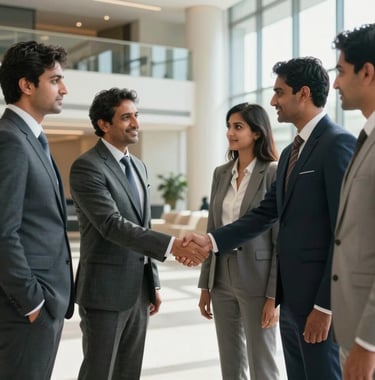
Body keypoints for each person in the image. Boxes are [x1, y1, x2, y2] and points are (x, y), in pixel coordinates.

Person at [185, 57, 357, 379]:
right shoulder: (295, 151)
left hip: (317, 306)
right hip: (290, 301)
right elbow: (266, 213)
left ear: (303, 93)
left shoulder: (336, 144)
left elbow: (343, 233)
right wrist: (210, 241)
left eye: (279, 92)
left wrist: (326, 307)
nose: (273, 101)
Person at [69, 87, 208, 380]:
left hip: (138, 291)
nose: (136, 124)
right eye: (126, 117)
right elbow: (111, 224)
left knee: (128, 372)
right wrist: (173, 245)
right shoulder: (87, 167)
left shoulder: (139, 167)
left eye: (136, 116)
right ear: (104, 124)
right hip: (104, 292)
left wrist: (152, 281)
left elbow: (142, 226)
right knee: (99, 372)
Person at [0, 41, 74, 380]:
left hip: (42, 304)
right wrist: (32, 302)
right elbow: (3, 231)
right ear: (26, 85)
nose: (64, 88)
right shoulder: (11, 140)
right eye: (55, 80)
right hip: (24, 309)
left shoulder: (31, 139)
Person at [198, 103, 280, 380]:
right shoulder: (221, 173)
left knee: (262, 362)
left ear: (257, 133)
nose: (230, 133)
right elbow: (213, 227)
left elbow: (278, 238)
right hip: (221, 278)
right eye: (229, 126)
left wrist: (274, 295)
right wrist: (205, 285)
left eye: (238, 126)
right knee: (230, 363)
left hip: (258, 279)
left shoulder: (272, 172)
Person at [331, 23, 375, 380]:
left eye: (341, 72)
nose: (336, 83)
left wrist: (367, 343)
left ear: (368, 72)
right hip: (353, 325)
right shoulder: (365, 137)